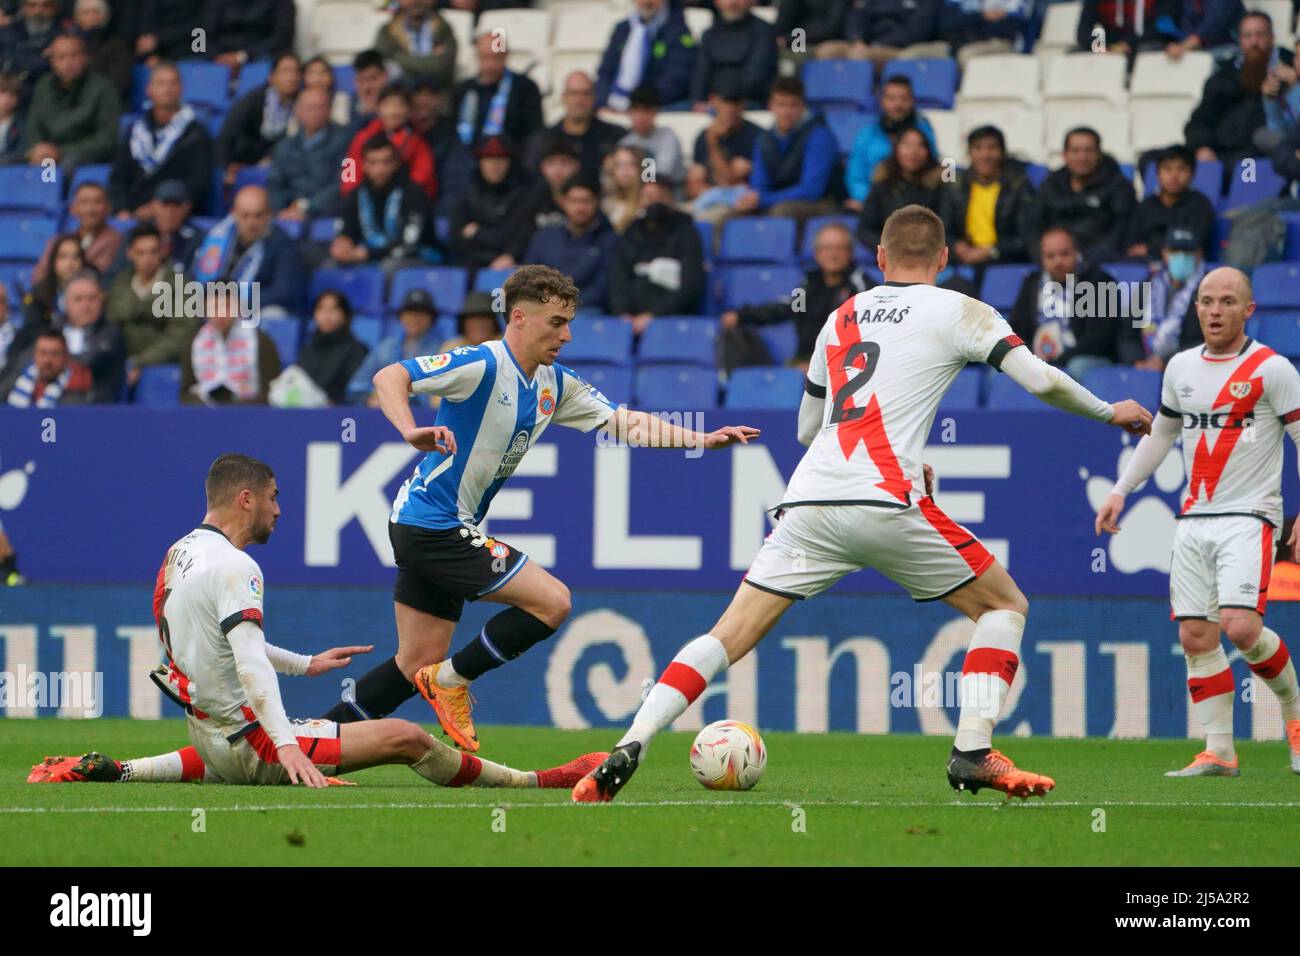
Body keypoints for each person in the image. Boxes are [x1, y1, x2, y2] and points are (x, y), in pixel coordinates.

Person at [571, 204, 1154, 803]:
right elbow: (1041, 380)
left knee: (726, 634)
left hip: (810, 498)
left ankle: (631, 742)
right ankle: (972, 753)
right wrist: (1112, 411)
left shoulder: (841, 314)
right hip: (884, 499)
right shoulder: (959, 309)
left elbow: (806, 429)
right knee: (1004, 605)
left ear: (879, 258)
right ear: (945, 258)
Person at [336, 264, 757, 751]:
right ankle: (450, 681)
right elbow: (390, 375)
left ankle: (310, 744)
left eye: (569, 322)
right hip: (433, 525)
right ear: (518, 317)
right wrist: (410, 430)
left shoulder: (555, 384)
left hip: (434, 526)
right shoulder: (481, 365)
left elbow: (628, 425)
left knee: (413, 665)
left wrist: (701, 439)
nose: (568, 334)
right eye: (556, 322)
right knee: (552, 601)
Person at [28, 453, 605, 789]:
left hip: (209, 738)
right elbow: (250, 664)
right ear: (247, 499)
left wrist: (306, 664)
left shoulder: (181, 553)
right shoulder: (237, 566)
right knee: (407, 737)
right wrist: (288, 748)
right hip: (253, 744)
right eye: (275, 498)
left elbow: (219, 644)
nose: (281, 509)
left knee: (240, 733)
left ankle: (121, 770)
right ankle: (540, 781)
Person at [1095, 266, 1300, 777]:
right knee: (1195, 636)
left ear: (1248, 310)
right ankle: (1219, 750)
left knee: (1240, 626)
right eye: (1207, 301)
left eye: (1227, 302)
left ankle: (1295, 717)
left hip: (1249, 515)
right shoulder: (1181, 367)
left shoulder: (1273, 369)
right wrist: (1121, 491)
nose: (1214, 310)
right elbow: (1161, 437)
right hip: (1193, 518)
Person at [719, 220, 873, 368]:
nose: (833, 255)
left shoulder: (861, 286)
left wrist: (822, 367)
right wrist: (742, 316)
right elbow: (788, 307)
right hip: (804, 362)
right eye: (826, 248)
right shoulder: (808, 284)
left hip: (844, 365)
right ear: (816, 253)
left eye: (839, 248)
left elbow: (869, 333)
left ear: (850, 252)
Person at [695, 76, 839, 229]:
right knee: (730, 217)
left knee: (780, 213)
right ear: (770, 106)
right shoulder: (765, 138)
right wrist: (753, 199)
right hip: (775, 200)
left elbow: (811, 191)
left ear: (803, 106)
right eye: (781, 104)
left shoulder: (819, 136)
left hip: (822, 203)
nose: (787, 112)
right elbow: (759, 184)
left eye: (793, 105)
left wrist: (763, 199)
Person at [1009, 227, 1144, 379]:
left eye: (1064, 254)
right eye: (1050, 256)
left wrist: (1057, 361)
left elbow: (1101, 339)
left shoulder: (1101, 281)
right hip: (1038, 359)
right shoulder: (1031, 283)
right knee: (1003, 371)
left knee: (1076, 367)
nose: (1058, 261)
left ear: (1077, 252)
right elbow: (1016, 328)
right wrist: (1029, 358)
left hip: (1087, 358)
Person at [1184, 12, 1288, 169]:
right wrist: (1202, 147)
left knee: (1248, 180)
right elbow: (1200, 119)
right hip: (1218, 154)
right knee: (1157, 161)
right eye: (1248, 35)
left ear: (1272, 38)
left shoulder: (1289, 69)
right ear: (1240, 40)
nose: (1254, 41)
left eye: (1260, 34)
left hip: (1258, 157)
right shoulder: (1223, 76)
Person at [109, 61, 213, 217]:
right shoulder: (134, 131)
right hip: (133, 214)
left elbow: (198, 184)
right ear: (149, 90)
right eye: (161, 83)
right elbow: (118, 179)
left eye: (173, 83)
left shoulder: (196, 133)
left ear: (181, 89)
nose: (167, 89)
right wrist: (122, 210)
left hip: (174, 214)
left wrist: (157, 209)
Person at [609, 178, 706, 333]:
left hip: (671, 318)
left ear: (670, 199)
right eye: (647, 197)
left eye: (659, 196)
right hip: (630, 319)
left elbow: (691, 285)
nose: (653, 202)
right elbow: (618, 279)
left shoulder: (687, 232)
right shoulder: (631, 233)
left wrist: (654, 316)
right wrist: (623, 314)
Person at [191, 185, 306, 315]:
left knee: (273, 313)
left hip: (253, 311)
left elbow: (284, 291)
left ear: (269, 215)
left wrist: (242, 304)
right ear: (234, 214)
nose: (251, 223)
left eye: (258, 216)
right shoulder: (219, 238)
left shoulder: (282, 244)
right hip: (217, 307)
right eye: (245, 216)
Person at [331, 133, 440, 268]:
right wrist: (343, 244)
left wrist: (367, 254)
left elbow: (409, 243)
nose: (379, 169)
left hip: (418, 258)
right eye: (373, 162)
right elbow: (346, 229)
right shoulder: (357, 194)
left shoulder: (414, 194)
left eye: (385, 162)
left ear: (396, 164)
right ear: (364, 165)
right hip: (371, 257)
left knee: (389, 267)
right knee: (331, 265)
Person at [106, 222, 191, 388]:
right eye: (141, 253)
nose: (147, 259)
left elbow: (179, 337)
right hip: (122, 365)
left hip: (163, 367)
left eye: (153, 252)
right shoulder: (120, 284)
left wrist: (140, 362)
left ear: (163, 251)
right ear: (129, 253)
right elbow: (110, 326)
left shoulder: (182, 287)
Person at [1033, 126, 1135, 264]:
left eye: (1089, 150)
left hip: (1099, 266)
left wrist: (1082, 260)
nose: (1082, 157)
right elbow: (1032, 224)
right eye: (1075, 151)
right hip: (1055, 263)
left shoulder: (1119, 187)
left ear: (1099, 154)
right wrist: (1043, 256)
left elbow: (1119, 232)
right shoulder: (1050, 185)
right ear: (1065, 155)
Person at [22, 31, 119, 173]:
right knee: (5, 163)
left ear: (86, 58)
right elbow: (34, 126)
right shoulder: (43, 85)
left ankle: (56, 195)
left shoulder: (103, 88)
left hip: (84, 155)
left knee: (66, 165)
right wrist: (38, 149)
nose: (69, 63)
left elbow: (107, 139)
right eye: (62, 57)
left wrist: (59, 151)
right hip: (46, 154)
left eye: (74, 56)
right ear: (52, 61)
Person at [940, 125, 1037, 266]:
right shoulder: (956, 186)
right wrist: (956, 246)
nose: (985, 155)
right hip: (962, 262)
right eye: (978, 148)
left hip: (1006, 263)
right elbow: (943, 229)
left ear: (1002, 152)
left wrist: (992, 251)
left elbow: (1027, 236)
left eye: (992, 148)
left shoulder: (1019, 186)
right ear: (969, 153)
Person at [523, 176, 619, 313]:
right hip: (543, 308)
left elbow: (603, 286)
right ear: (563, 202)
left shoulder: (610, 241)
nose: (580, 208)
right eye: (573, 201)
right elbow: (528, 277)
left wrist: (566, 304)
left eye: (586, 201)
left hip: (586, 309)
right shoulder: (545, 237)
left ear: (597, 202)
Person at [844, 75, 937, 209]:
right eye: (892, 98)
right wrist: (869, 201)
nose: (898, 104)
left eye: (904, 99)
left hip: (916, 202)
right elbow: (856, 177)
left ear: (912, 101)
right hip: (874, 202)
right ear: (882, 101)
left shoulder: (924, 131)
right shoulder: (866, 134)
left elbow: (935, 166)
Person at [180, 287, 282, 406]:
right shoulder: (193, 343)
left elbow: (271, 393)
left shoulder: (262, 342)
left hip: (249, 415)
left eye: (228, 307)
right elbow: (186, 393)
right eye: (215, 307)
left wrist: (232, 408)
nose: (221, 314)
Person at [215, 51, 301, 187]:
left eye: (296, 72)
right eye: (285, 71)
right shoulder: (254, 99)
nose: (292, 77)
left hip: (280, 163)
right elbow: (228, 133)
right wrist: (226, 167)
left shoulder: (301, 103)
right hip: (247, 159)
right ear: (271, 77)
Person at [449, 134, 534, 272]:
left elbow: (515, 238)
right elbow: (456, 240)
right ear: (479, 162)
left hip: (508, 264)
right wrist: (496, 236)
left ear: (510, 162)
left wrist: (477, 233)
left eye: (500, 159)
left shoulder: (523, 194)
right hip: (469, 263)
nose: (494, 165)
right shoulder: (467, 193)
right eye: (488, 159)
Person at [345, 288, 443, 405]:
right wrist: (370, 398)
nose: (415, 318)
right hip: (378, 413)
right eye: (410, 312)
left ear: (431, 319)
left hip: (420, 416)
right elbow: (356, 384)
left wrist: (397, 397)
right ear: (401, 317)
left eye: (421, 313)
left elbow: (434, 395)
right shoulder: (385, 347)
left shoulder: (441, 349)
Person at [267, 85, 350, 220]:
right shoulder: (284, 146)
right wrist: (281, 210)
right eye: (309, 107)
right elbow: (273, 184)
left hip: (329, 213)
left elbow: (347, 181)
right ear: (297, 111)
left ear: (330, 110)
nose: (315, 112)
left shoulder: (348, 142)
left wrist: (308, 208)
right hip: (287, 215)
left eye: (321, 107)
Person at [523, 70, 624, 180]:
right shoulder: (542, 141)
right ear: (564, 97)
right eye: (573, 93)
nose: (579, 100)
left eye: (586, 93)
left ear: (594, 97)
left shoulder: (615, 137)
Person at [343, 83, 437, 201]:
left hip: (403, 201)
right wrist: (351, 194)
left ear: (409, 111)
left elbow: (424, 174)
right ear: (378, 108)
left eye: (399, 105)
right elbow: (349, 165)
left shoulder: (416, 141)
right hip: (365, 200)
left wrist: (405, 195)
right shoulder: (362, 137)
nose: (393, 111)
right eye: (387, 105)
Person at [595, 0, 696, 111]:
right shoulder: (622, 29)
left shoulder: (678, 31)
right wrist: (603, 102)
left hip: (652, 109)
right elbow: (605, 71)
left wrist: (638, 105)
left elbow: (676, 78)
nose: (647, 1)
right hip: (615, 105)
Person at [453, 32, 544, 149]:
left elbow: (533, 133)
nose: (490, 65)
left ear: (506, 57)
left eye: (496, 58)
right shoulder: (464, 90)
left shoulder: (525, 88)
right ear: (476, 57)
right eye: (485, 57)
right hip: (466, 158)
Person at [1124, 145, 1215, 261]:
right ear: (1158, 173)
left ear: (1192, 173)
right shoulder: (1145, 205)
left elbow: (1191, 243)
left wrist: (1150, 249)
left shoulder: (1201, 205)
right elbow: (1132, 246)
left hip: (1183, 264)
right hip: (1144, 262)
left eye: (1181, 169)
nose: (1174, 175)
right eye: (1167, 168)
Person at [858, 127, 943, 250]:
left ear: (929, 151)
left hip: (930, 256)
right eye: (907, 145)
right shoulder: (882, 186)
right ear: (896, 149)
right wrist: (890, 249)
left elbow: (947, 228)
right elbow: (865, 230)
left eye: (921, 145)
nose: (914, 151)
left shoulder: (941, 186)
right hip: (890, 256)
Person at [1136, 227, 1207, 368]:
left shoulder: (1208, 288)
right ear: (1164, 253)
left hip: (1188, 368)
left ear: (1198, 254)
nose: (1181, 256)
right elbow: (1128, 332)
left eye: (1187, 251)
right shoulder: (1149, 282)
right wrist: (1136, 360)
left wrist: (1166, 362)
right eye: (1174, 251)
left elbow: (1204, 341)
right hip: (1145, 364)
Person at [689, 0, 777, 108]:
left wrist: (725, 100)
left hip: (747, 103)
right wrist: (699, 100)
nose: (732, 3)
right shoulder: (710, 34)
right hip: (711, 103)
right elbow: (701, 74)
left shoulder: (764, 32)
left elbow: (756, 77)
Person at [814, 0, 946, 71]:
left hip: (900, 48)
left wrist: (879, 44)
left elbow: (919, 30)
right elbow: (857, 14)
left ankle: (857, 101)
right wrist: (856, 38)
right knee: (827, 51)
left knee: (859, 56)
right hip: (867, 45)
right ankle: (824, 102)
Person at [685, 84, 761, 201]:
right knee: (696, 173)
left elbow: (729, 180)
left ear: (743, 104)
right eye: (725, 102)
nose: (730, 109)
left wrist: (713, 142)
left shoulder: (755, 135)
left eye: (735, 103)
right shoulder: (702, 136)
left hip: (743, 204)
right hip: (710, 200)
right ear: (714, 101)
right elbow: (693, 188)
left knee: (739, 166)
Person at [33, 182, 119, 281]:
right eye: (84, 202)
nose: (90, 209)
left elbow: (99, 278)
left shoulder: (115, 241)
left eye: (97, 202)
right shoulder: (59, 241)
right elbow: (39, 276)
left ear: (108, 207)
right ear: (73, 208)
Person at [296, 291, 370, 406]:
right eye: (321, 309)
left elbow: (355, 390)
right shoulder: (309, 348)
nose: (326, 315)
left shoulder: (357, 350)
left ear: (345, 315)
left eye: (333, 309)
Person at [374, 0, 456, 90]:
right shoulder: (387, 32)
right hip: (398, 96)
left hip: (435, 95)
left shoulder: (444, 29)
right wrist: (429, 61)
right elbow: (382, 70)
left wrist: (398, 57)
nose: (416, 1)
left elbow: (443, 68)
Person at [4, 327, 92, 406]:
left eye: (55, 354)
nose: (48, 360)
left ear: (65, 357)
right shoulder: (14, 381)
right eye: (43, 353)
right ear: (34, 355)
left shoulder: (77, 389)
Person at [617, 85, 684, 186]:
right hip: (634, 192)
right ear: (629, 113)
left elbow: (661, 174)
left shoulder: (667, 136)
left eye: (647, 110)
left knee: (651, 189)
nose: (641, 117)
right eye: (636, 110)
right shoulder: (625, 143)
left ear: (656, 112)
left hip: (667, 191)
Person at [204, 0, 296, 68]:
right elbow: (207, 33)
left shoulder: (281, 3)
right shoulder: (217, 2)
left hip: (260, 57)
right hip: (220, 58)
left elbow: (282, 37)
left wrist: (242, 57)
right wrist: (217, 57)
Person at [940, 0, 1029, 68]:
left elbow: (1017, 23)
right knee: (943, 52)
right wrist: (982, 16)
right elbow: (948, 23)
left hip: (1000, 42)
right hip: (965, 42)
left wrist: (983, 18)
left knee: (966, 54)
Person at [0, 0, 60, 100]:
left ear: (54, 8)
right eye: (32, 5)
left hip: (43, 95)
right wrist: (40, 58)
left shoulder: (62, 36)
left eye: (45, 5)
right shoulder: (6, 32)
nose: (38, 10)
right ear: (23, 8)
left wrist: (14, 60)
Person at [23, 233, 86, 326]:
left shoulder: (92, 292)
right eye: (63, 257)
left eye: (76, 257)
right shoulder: (39, 294)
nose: (70, 263)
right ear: (53, 261)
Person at [74, 0, 129, 98]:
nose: (91, 17)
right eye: (86, 12)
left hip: (102, 100)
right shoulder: (70, 44)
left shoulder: (116, 46)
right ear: (77, 18)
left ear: (105, 17)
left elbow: (118, 83)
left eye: (96, 12)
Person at [1154, 0, 1245, 58]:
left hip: (1230, 49)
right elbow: (1186, 29)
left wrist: (1182, 47)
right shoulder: (1188, 2)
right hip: (1201, 51)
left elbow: (1210, 26)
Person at [1076, 0, 1158, 58]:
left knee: (1148, 48)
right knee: (1076, 53)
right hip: (1111, 46)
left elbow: (1161, 27)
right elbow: (1083, 31)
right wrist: (1105, 46)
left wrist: (1129, 43)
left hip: (1144, 43)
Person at [135, 0, 208, 64]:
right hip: (157, 52)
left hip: (191, 49)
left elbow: (201, 24)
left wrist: (159, 39)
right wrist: (150, 54)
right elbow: (147, 22)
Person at [602, 144, 647, 234]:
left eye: (631, 164)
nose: (624, 171)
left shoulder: (647, 206)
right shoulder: (606, 204)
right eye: (618, 165)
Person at [437, 290, 501, 351]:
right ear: (463, 324)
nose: (479, 325)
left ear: (494, 323)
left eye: (484, 319)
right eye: (473, 320)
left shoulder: (506, 347)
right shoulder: (451, 349)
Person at [346, 48, 390, 135]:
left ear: (385, 77)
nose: (366, 87)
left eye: (372, 79)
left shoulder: (399, 99)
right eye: (361, 80)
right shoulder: (353, 100)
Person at [0, 72, 23, 163]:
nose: (7, 99)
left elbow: (21, 152)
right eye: (2, 93)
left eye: (12, 95)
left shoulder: (21, 124)